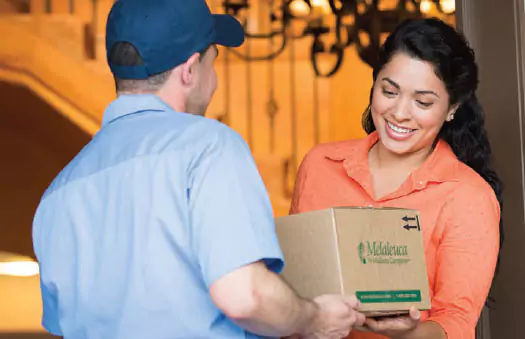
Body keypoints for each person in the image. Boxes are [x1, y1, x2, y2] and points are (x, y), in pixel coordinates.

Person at [31, 1, 365, 338]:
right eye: (213, 62)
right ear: (190, 70)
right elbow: (245, 295)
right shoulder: (207, 145)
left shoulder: (58, 192)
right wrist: (314, 318)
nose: (216, 80)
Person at [290, 18, 502, 339]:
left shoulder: (468, 197)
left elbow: (456, 322)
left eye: (423, 102)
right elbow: (295, 279)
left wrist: (404, 333)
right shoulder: (320, 164)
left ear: (452, 109)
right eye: (390, 91)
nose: (400, 112)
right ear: (374, 84)